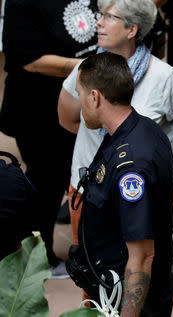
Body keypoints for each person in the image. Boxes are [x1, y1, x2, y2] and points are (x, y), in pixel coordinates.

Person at [57, 0, 173, 245]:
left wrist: (152, 160)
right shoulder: (83, 69)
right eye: (99, 14)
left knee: (141, 264)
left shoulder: (163, 77)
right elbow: (67, 119)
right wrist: (107, 148)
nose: (98, 22)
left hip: (139, 194)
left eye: (109, 17)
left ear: (132, 30)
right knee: (90, 271)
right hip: (88, 189)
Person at [0, 0, 98, 278]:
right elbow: (29, 60)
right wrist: (90, 66)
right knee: (46, 182)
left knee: (75, 173)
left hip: (76, 105)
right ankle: (38, 256)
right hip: (37, 111)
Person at [74, 52, 173, 317]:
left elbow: (142, 258)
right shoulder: (139, 129)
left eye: (80, 95)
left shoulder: (132, 167)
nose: (79, 104)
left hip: (128, 303)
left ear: (95, 97)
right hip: (109, 288)